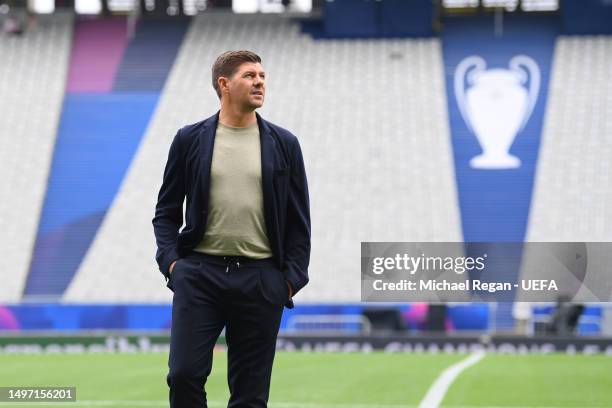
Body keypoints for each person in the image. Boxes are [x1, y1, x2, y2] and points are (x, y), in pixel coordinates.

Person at [152, 50, 310, 408]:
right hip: (200, 275)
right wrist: (173, 265)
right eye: (249, 76)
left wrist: (288, 280)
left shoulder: (284, 144)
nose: (259, 82)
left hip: (261, 279)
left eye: (262, 76)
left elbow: (299, 221)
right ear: (224, 84)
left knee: (250, 395)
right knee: (183, 375)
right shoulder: (190, 139)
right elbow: (166, 212)